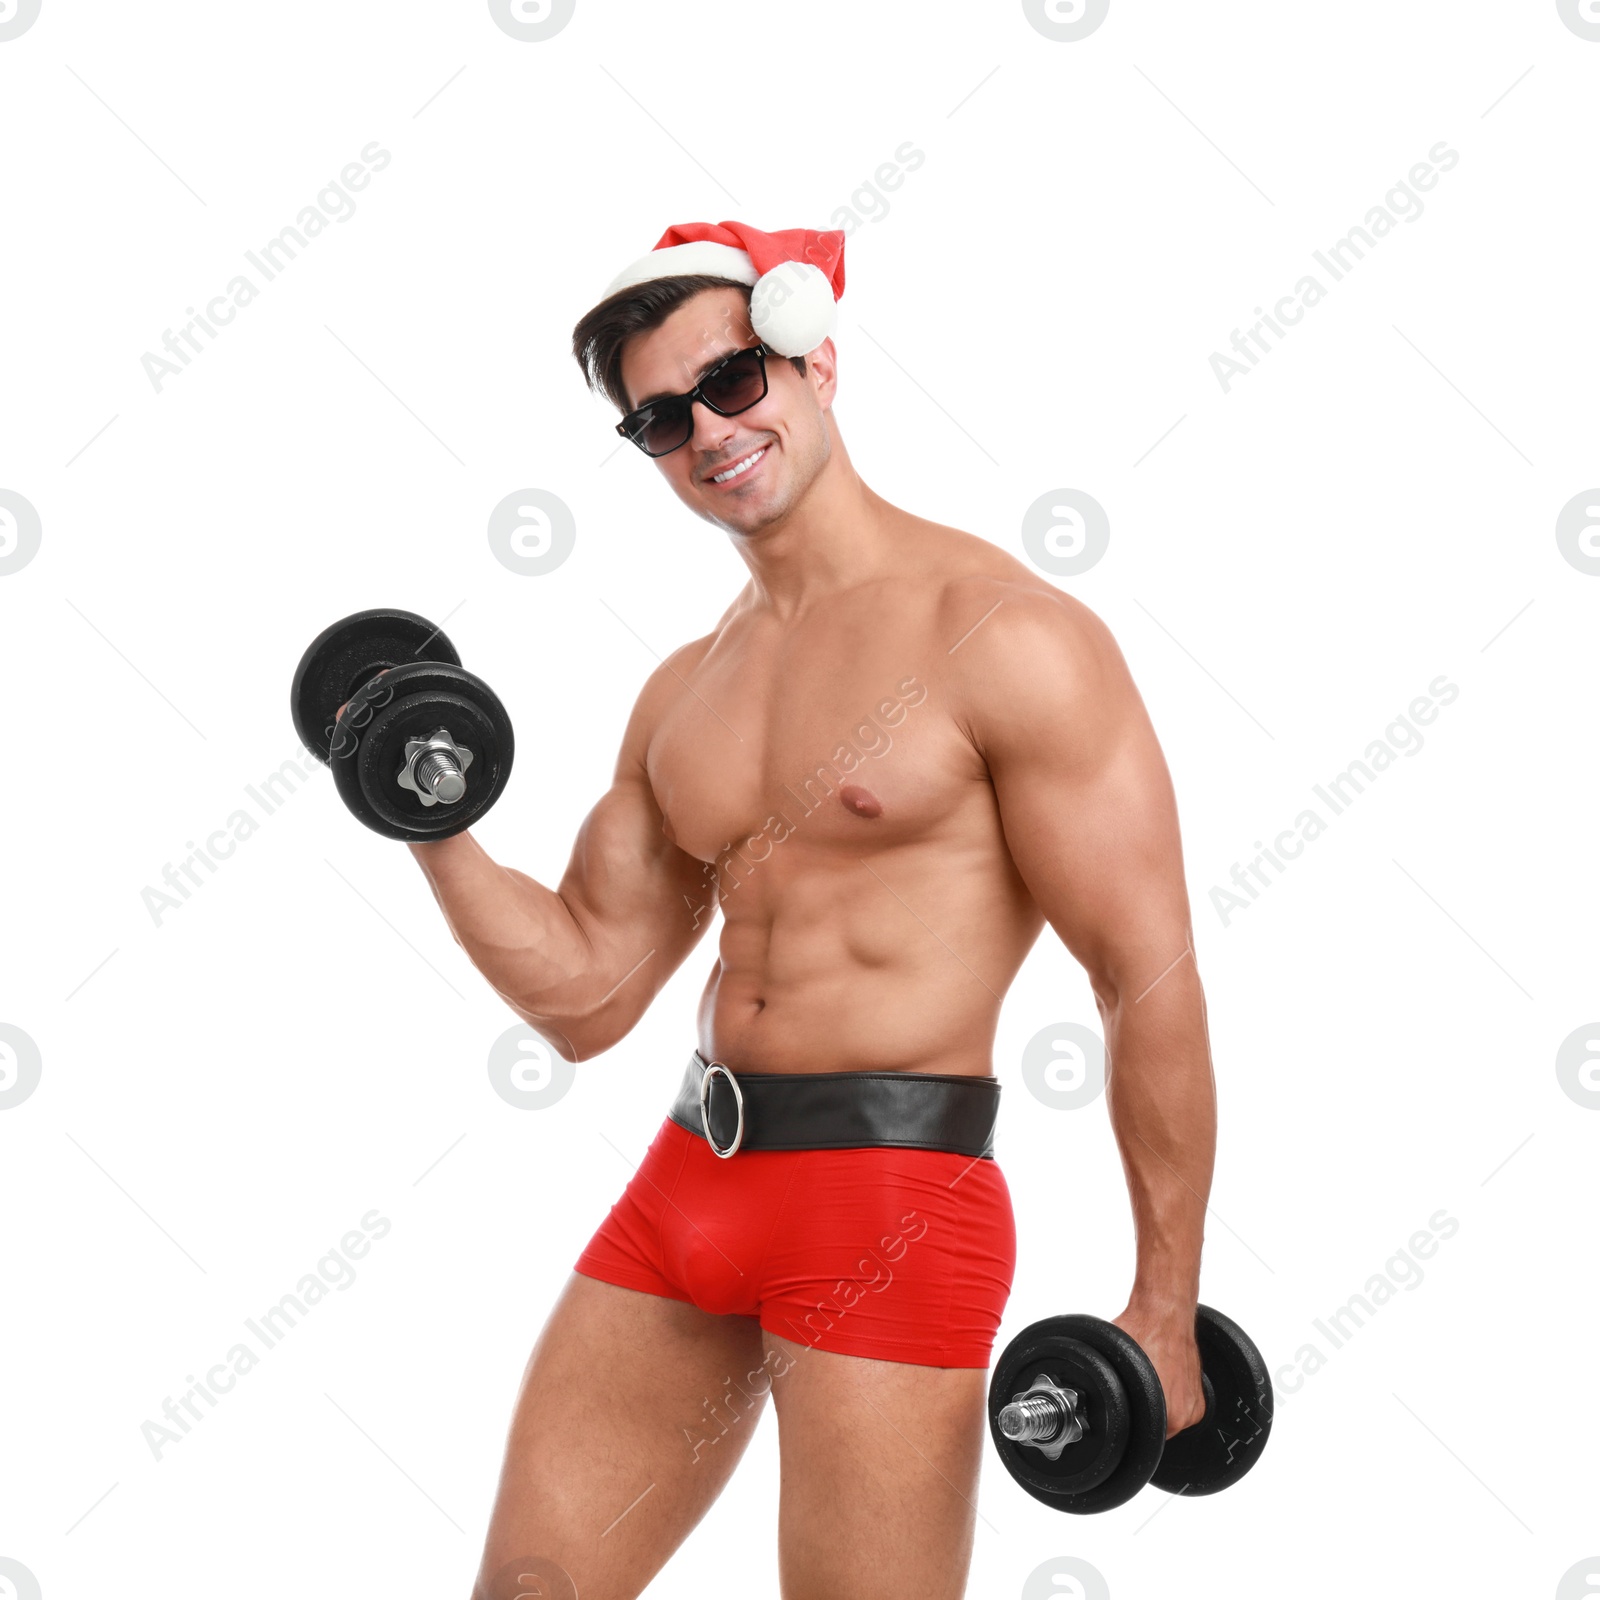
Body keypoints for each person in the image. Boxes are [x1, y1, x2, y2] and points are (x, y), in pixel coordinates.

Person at [428, 221, 1215, 1600]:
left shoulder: (1005, 635)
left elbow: (1144, 979)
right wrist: (424, 813)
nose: (709, 433)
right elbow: (587, 995)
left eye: (731, 383)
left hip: (891, 1208)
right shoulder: (685, 691)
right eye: (661, 418)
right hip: (686, 1186)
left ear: (815, 360)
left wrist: (1162, 1300)